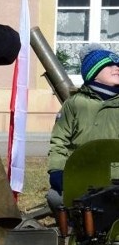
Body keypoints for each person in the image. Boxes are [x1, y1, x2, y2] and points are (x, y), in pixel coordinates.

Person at [46, 45, 119, 212]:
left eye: (118, 65)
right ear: (93, 72)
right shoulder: (74, 104)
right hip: (80, 172)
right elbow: (59, 140)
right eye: (108, 65)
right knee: (55, 198)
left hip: (116, 176)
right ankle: (73, 231)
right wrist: (57, 170)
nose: (116, 68)